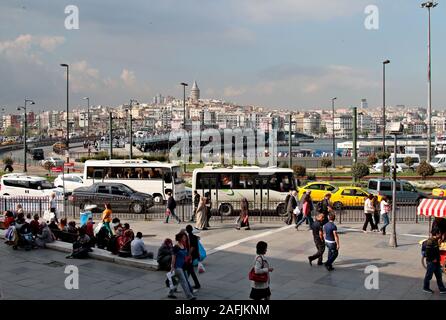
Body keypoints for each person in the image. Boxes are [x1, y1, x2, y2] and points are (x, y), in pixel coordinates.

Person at [168, 232, 196, 300]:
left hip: (183, 266)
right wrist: (172, 267)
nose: (185, 238)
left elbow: (185, 255)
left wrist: (189, 258)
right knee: (184, 281)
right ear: (180, 238)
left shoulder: (183, 245)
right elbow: (173, 258)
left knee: (176, 281)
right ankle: (189, 296)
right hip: (177, 267)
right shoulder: (176, 247)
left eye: (185, 237)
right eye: (184, 237)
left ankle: (170, 293)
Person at [423, 229, 446, 294]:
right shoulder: (430, 241)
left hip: (436, 262)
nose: (440, 234)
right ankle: (425, 288)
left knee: (439, 276)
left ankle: (442, 289)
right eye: (439, 233)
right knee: (428, 276)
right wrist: (432, 259)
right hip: (431, 262)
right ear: (436, 234)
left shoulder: (435, 240)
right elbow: (428, 253)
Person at [185, 225, 201, 289]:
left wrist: (188, 254)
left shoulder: (189, 237)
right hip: (195, 255)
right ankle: (186, 282)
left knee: (190, 270)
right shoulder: (194, 237)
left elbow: (192, 247)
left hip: (191, 256)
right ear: (192, 230)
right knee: (190, 270)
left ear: (187, 230)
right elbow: (196, 246)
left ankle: (196, 284)